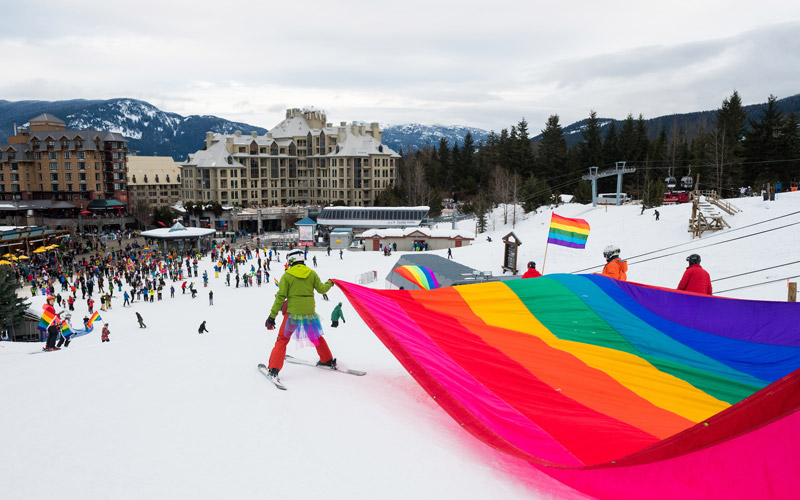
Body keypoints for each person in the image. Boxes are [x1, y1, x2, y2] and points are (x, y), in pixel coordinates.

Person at [264, 250, 336, 380]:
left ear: (291, 261)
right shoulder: (312, 273)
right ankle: (327, 360)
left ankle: (274, 369)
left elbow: (280, 298)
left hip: (293, 314)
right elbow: (322, 289)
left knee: (282, 340)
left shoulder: (287, 276)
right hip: (309, 313)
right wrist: (330, 282)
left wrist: (272, 317)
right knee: (316, 337)